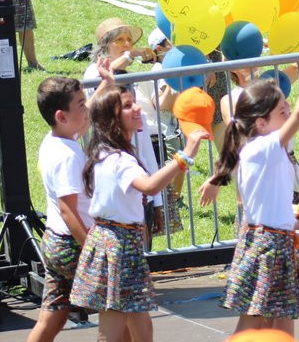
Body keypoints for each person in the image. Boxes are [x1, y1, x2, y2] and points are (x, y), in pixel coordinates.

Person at [199, 40, 299, 340]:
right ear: (261, 122)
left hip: (277, 242)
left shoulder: (266, 150)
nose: (288, 112)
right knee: (264, 324)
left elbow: (270, 207)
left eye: (286, 106)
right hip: (269, 247)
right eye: (281, 110)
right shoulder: (263, 148)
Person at [68, 84, 208, 341]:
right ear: (113, 119)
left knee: (141, 328)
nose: (137, 109)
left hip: (121, 244)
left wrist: (106, 82)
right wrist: (186, 155)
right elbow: (151, 185)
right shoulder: (120, 160)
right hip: (117, 246)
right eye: (128, 105)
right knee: (113, 331)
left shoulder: (104, 151)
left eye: (135, 103)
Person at [83, 18, 179, 239]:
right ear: (104, 45)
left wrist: (158, 203)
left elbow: (146, 151)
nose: (127, 44)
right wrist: (132, 55)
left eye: (128, 39)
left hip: (138, 179)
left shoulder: (131, 85)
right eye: (119, 40)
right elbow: (102, 78)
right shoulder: (93, 73)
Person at [27, 77, 92, 342]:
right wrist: (93, 250)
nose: (87, 109)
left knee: (54, 313)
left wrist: (107, 81)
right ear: (61, 117)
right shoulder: (66, 156)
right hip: (72, 244)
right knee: (118, 308)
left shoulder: (54, 140)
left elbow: (83, 110)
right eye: (81, 105)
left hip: (55, 241)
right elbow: (68, 210)